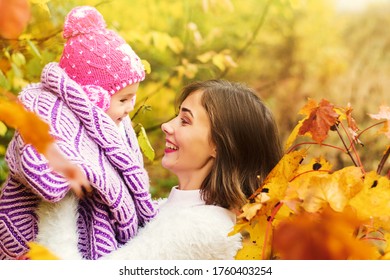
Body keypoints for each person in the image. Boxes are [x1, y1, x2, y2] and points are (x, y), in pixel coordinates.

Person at [31, 79, 283, 259]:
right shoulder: (165, 210)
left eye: (185, 120)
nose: (166, 126)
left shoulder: (208, 228)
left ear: (219, 145)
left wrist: (58, 192)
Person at [0, 6, 158, 260]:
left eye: (134, 98)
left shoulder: (114, 121)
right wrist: (80, 165)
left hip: (91, 225)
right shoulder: (47, 112)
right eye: (124, 99)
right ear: (93, 97)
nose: (130, 108)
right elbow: (40, 169)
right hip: (47, 234)